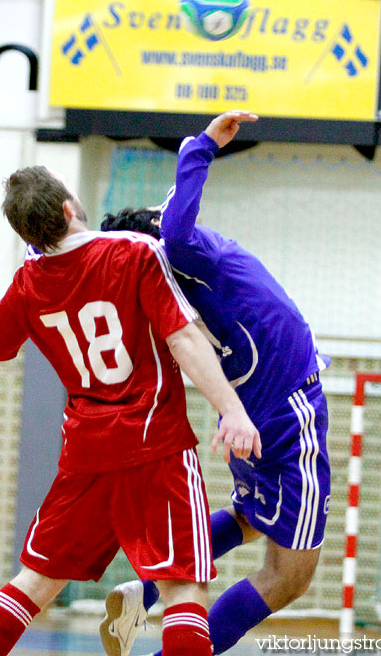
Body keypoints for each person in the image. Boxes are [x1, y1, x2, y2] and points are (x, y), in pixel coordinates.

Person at [0, 164, 262, 656]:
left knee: (33, 583)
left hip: (86, 454)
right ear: (67, 208)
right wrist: (231, 409)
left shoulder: (27, 284)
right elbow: (183, 336)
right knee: (183, 589)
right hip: (155, 445)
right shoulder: (132, 251)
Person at [99, 110, 331, 656]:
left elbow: (165, 215)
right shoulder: (174, 250)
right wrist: (203, 144)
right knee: (289, 575)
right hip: (286, 408)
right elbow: (176, 226)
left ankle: (144, 592)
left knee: (250, 519)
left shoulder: (153, 252)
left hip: (251, 412)